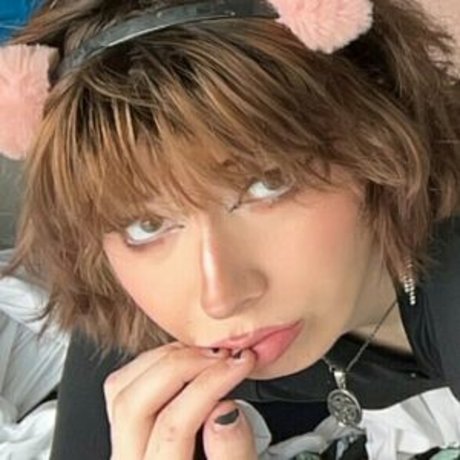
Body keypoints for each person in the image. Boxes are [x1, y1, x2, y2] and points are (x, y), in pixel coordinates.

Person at [1, 0, 460, 458]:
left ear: (374, 123)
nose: (220, 296)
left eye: (268, 184)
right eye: (147, 224)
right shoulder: (153, 314)